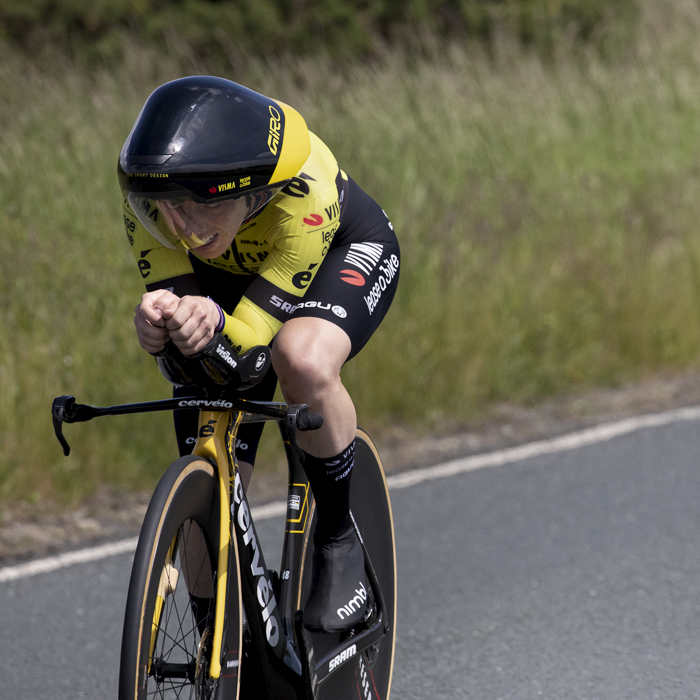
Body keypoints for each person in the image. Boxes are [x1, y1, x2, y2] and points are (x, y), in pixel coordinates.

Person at [118, 75, 400, 633]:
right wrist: (162, 329)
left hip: (338, 253)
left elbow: (253, 347)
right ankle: (220, 642)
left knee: (300, 360)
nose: (179, 230)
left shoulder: (305, 195)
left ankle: (340, 543)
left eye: (194, 210)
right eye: (162, 211)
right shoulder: (148, 202)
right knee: (209, 461)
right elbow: (185, 320)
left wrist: (214, 325)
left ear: (248, 193)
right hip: (231, 276)